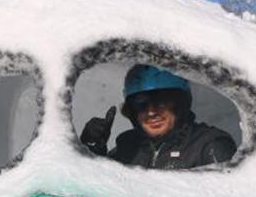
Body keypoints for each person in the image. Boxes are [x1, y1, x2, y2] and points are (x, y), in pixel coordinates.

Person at [80, 64, 237, 169]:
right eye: (141, 104)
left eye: (162, 102)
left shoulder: (209, 147)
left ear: (180, 104)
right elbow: (96, 195)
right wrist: (93, 148)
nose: (151, 112)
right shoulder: (128, 147)